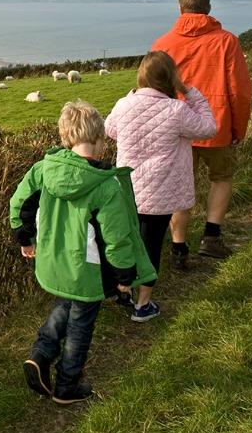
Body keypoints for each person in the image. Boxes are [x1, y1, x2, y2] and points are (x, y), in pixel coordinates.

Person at [10, 100, 156, 404]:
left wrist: (26, 239)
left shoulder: (42, 169)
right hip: (87, 270)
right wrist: (125, 275)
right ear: (101, 139)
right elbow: (116, 239)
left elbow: (19, 204)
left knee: (66, 304)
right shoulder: (106, 186)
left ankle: (40, 354)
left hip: (52, 259)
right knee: (81, 323)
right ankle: (67, 384)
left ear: (65, 137)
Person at [104, 51, 217, 322]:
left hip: (128, 190)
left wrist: (132, 97)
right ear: (170, 79)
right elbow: (209, 127)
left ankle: (122, 289)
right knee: (150, 246)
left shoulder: (124, 104)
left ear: (141, 77)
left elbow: (109, 129)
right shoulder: (176, 110)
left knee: (126, 242)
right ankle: (143, 305)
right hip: (159, 192)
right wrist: (190, 93)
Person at [151, 0, 252, 268]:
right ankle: (211, 237)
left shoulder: (163, 44)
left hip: (176, 127)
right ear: (208, 8)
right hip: (216, 124)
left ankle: (179, 247)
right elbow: (240, 92)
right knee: (221, 178)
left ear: (181, 7)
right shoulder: (226, 41)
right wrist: (238, 129)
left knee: (181, 186)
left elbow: (153, 90)